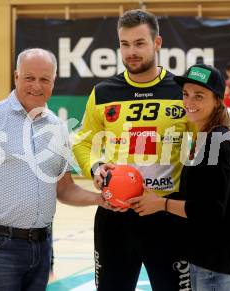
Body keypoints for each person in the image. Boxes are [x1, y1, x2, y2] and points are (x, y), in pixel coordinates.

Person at [0, 48, 108, 291]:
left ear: (53, 81)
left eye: (44, 79)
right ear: (16, 77)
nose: (36, 86)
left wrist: (99, 199)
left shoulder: (58, 127)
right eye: (29, 78)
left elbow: (65, 188)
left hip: (42, 248)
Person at [73, 9, 196, 291]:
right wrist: (95, 167)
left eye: (139, 43)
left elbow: (210, 141)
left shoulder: (183, 91)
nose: (131, 52)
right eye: (125, 44)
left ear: (157, 43)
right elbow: (82, 142)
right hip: (115, 215)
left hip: (167, 215)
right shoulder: (103, 92)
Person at [128, 64, 230, 291]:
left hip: (215, 264)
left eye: (199, 96)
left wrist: (160, 204)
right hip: (206, 260)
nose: (189, 102)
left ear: (216, 100)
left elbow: (209, 211)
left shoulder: (217, 141)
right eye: (185, 94)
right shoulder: (207, 137)